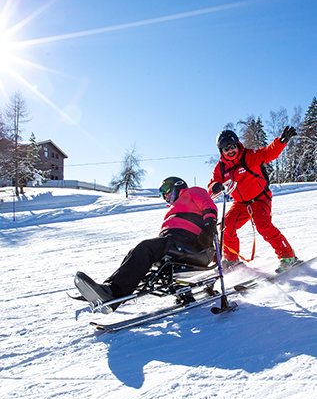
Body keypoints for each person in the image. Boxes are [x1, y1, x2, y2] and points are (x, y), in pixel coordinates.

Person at [75, 177, 218, 310]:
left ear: (177, 186)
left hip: (189, 242)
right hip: (173, 241)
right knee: (137, 252)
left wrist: (209, 226)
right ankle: (108, 289)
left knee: (145, 248)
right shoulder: (174, 209)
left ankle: (113, 293)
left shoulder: (193, 191)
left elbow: (209, 205)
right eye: (162, 193)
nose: (165, 196)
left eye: (165, 190)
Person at [208, 127, 297, 272]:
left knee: (263, 225)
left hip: (260, 198)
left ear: (237, 144)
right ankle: (231, 260)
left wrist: (281, 142)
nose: (230, 150)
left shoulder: (249, 156)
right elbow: (212, 183)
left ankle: (288, 256)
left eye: (232, 146)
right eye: (226, 149)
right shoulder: (220, 167)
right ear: (221, 151)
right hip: (240, 204)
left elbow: (268, 152)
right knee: (226, 226)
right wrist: (215, 186)